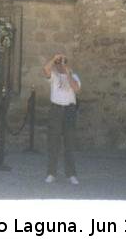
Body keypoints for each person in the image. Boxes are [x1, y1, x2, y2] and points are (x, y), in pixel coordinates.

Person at [42, 53, 81, 184]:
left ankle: (71, 174)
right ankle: (51, 173)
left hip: (69, 110)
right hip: (56, 110)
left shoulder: (74, 76)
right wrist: (54, 59)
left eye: (63, 62)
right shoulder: (54, 76)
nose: (61, 65)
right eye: (59, 63)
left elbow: (76, 89)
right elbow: (45, 69)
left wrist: (68, 73)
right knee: (53, 143)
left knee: (69, 143)